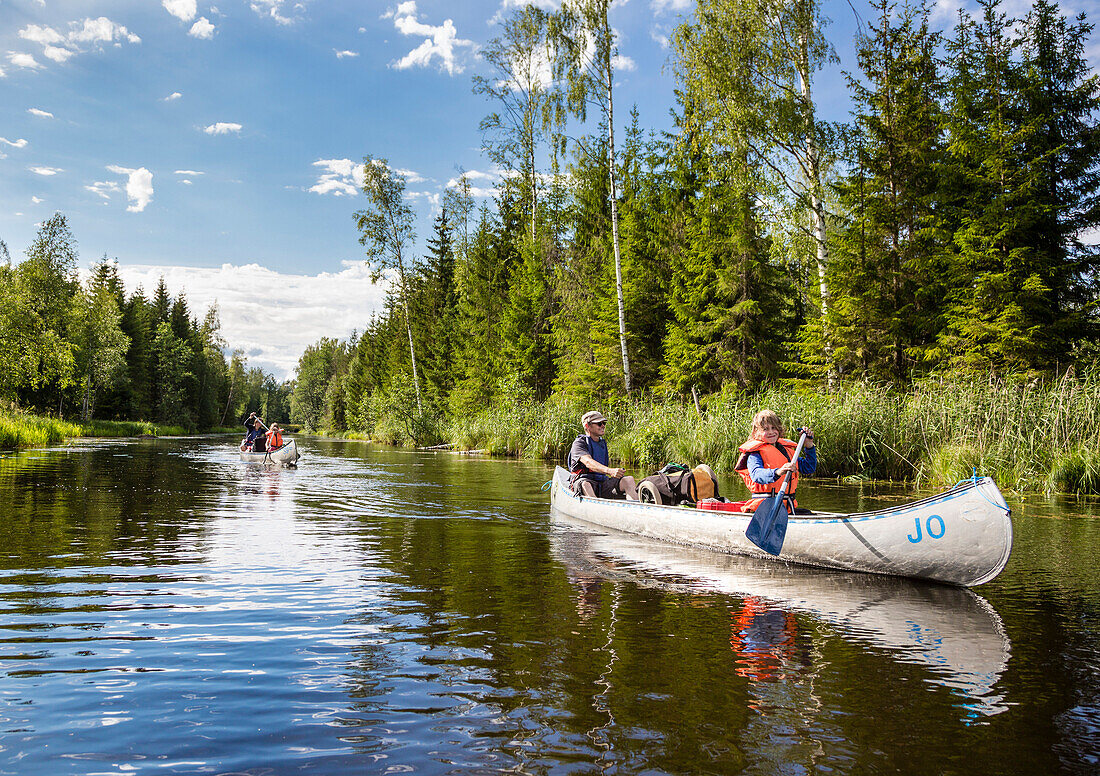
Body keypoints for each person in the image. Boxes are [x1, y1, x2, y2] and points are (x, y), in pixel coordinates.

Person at [733, 409, 816, 513]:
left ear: (779, 429)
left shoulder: (786, 451)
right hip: (763, 508)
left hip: (786, 508)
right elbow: (756, 475)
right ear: (756, 432)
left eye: (773, 428)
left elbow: (809, 467)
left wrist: (809, 446)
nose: (771, 432)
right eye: (765, 429)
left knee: (807, 513)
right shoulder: (755, 453)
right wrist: (778, 472)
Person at [567, 410, 638, 500]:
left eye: (604, 423)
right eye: (599, 424)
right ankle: (596, 510)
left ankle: (634, 509)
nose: (603, 426)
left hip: (602, 482)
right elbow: (588, 462)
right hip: (584, 480)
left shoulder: (602, 443)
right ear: (587, 426)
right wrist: (610, 471)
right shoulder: (579, 443)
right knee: (586, 485)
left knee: (629, 480)